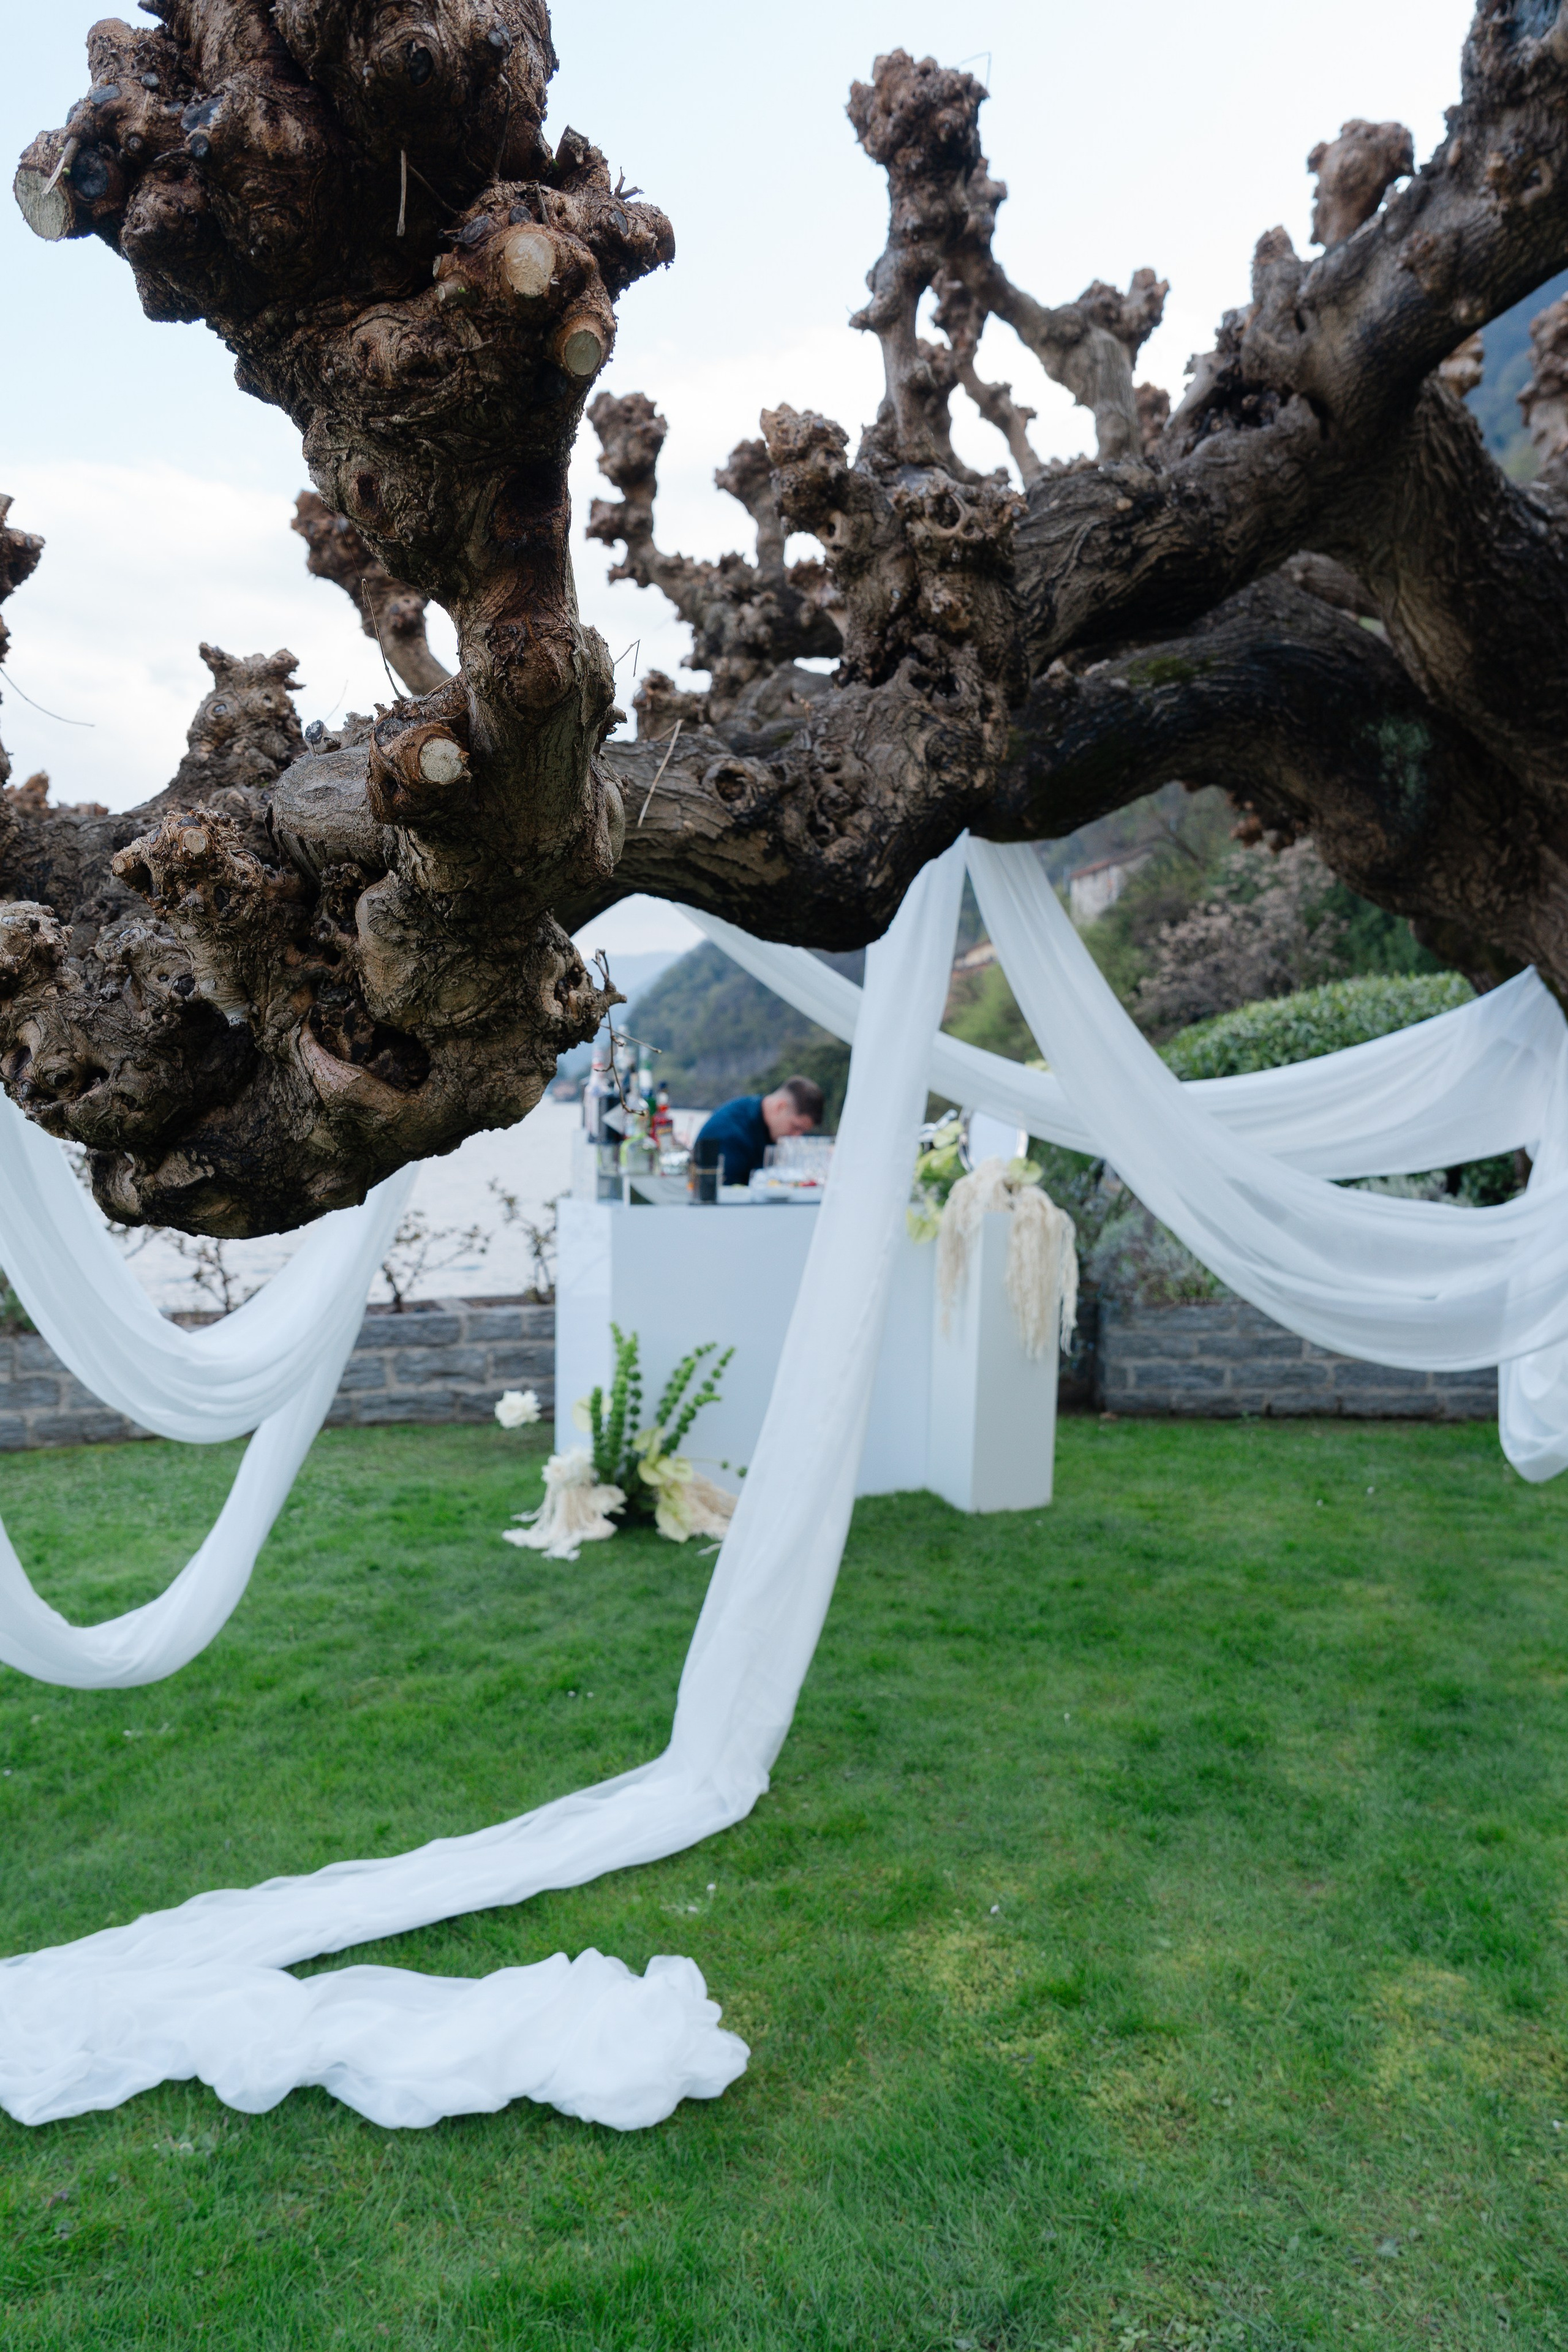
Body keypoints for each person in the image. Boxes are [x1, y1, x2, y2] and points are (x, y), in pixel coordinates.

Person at [693, 1076, 824, 1189]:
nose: (796, 1136)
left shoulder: (761, 1121)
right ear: (780, 1107)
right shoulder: (730, 1134)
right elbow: (729, 1196)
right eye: (796, 1127)